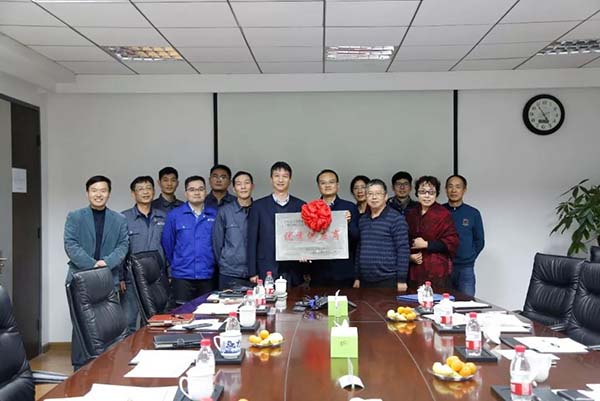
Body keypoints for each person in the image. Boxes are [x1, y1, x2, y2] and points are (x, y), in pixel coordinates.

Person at [64, 175, 129, 369]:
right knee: (81, 326)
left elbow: (123, 245)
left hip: (108, 279)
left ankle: (106, 368)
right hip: (80, 278)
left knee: (108, 326)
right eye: (94, 190)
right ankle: (79, 368)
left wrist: (106, 263)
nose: (98, 194)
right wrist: (94, 265)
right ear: (87, 193)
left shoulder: (119, 219)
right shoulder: (75, 217)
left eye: (103, 190)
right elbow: (71, 245)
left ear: (109, 193)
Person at [247, 161, 306, 286]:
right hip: (266, 267)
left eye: (285, 176)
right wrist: (252, 272)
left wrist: (305, 253)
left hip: (293, 268)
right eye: (277, 176)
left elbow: (306, 236)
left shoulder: (301, 205)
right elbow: (252, 240)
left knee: (293, 297)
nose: (280, 180)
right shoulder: (258, 206)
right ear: (271, 179)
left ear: (290, 179)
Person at [120, 176, 167, 333]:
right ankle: (128, 349)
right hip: (131, 278)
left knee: (157, 320)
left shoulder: (163, 216)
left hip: (157, 278)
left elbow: (169, 246)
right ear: (133, 194)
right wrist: (120, 277)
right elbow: (120, 249)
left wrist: (169, 272)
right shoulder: (123, 218)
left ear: (154, 191)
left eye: (148, 188)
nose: (145, 192)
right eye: (140, 189)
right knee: (129, 321)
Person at [161, 176, 217, 304]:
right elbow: (168, 244)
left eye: (200, 189)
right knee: (182, 313)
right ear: (186, 193)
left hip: (207, 275)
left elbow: (219, 243)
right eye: (192, 190)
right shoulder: (175, 215)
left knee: (207, 313)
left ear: (206, 192)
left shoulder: (215, 214)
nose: (197, 193)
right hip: (182, 276)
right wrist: (179, 262)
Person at [353, 179, 409, 291]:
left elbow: (403, 250)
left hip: (388, 279)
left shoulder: (396, 219)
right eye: (370, 194)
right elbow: (359, 249)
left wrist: (401, 280)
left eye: (378, 193)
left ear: (386, 196)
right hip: (364, 280)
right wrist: (357, 277)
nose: (374, 197)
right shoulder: (363, 220)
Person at [405, 176, 459, 289]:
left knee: (436, 297)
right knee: (413, 297)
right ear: (417, 193)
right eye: (422, 192)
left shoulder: (443, 214)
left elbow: (452, 242)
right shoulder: (411, 214)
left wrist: (427, 244)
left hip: (437, 268)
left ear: (436, 194)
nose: (427, 196)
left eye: (431, 192)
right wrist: (409, 256)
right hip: (415, 266)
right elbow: (403, 240)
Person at [311, 169, 359, 288]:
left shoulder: (349, 207)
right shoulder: (311, 208)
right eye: (323, 183)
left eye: (331, 182)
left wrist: (348, 223)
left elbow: (357, 238)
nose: (327, 185)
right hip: (319, 271)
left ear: (337, 185)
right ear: (318, 186)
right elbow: (307, 238)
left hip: (343, 270)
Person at [212, 171, 257, 290]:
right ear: (233, 188)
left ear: (252, 186)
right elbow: (217, 244)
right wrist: (225, 262)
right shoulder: (224, 212)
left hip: (255, 273)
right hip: (230, 272)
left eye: (246, 183)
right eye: (239, 184)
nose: (243, 187)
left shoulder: (260, 209)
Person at [444, 175, 485, 297]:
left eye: (458, 187)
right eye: (450, 186)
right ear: (446, 189)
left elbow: (479, 241)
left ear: (464, 190)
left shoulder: (473, 213)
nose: (454, 190)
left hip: (465, 268)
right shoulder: (439, 211)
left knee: (467, 303)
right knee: (442, 303)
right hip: (443, 267)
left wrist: (469, 257)